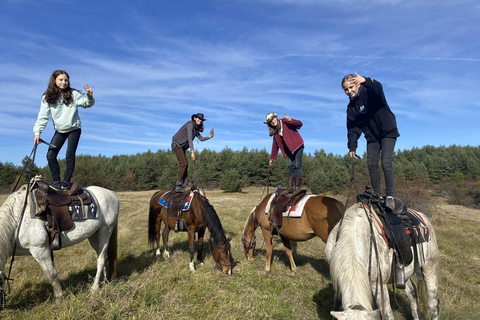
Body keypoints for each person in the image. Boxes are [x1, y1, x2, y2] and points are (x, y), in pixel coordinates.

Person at [342, 72, 400, 211]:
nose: (349, 91)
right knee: (371, 163)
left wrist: (367, 81)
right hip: (372, 136)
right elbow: (352, 128)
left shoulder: (370, 92)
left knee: (386, 162)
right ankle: (377, 195)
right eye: (346, 89)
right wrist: (352, 147)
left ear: (357, 84)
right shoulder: (351, 108)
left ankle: (390, 197)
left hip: (387, 131)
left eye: (351, 87)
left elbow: (378, 88)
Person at [33, 70, 95, 190]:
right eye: (61, 80)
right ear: (54, 81)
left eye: (66, 80)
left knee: (69, 155)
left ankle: (66, 182)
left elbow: (87, 104)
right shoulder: (47, 97)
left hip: (74, 129)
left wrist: (89, 97)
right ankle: (56, 182)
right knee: (51, 155)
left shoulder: (73, 94)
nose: (64, 82)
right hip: (60, 130)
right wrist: (37, 132)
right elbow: (43, 116)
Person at [172, 113, 214, 192]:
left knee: (185, 165)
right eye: (199, 118)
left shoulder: (195, 129)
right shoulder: (190, 125)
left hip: (182, 147)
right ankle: (178, 185)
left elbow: (201, 139)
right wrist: (192, 151)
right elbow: (189, 139)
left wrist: (210, 137)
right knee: (183, 164)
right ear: (195, 118)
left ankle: (186, 183)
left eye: (201, 120)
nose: (200, 120)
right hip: (176, 144)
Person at [265, 112, 304, 193]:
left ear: (276, 118)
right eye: (270, 121)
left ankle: (297, 188)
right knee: (291, 166)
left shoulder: (285, 122)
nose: (273, 121)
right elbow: (275, 145)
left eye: (273, 119)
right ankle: (290, 188)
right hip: (289, 149)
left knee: (297, 165)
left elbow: (300, 124)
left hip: (297, 145)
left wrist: (291, 120)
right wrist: (272, 158)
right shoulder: (276, 132)